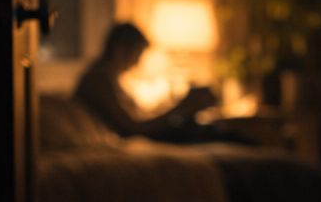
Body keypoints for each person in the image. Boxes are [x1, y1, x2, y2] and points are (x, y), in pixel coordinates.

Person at [73, 22, 230, 143]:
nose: (137, 62)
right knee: (208, 132)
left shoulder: (109, 77)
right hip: (135, 138)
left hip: (138, 134)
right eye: (137, 54)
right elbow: (131, 128)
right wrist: (180, 108)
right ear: (120, 49)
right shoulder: (99, 79)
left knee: (207, 128)